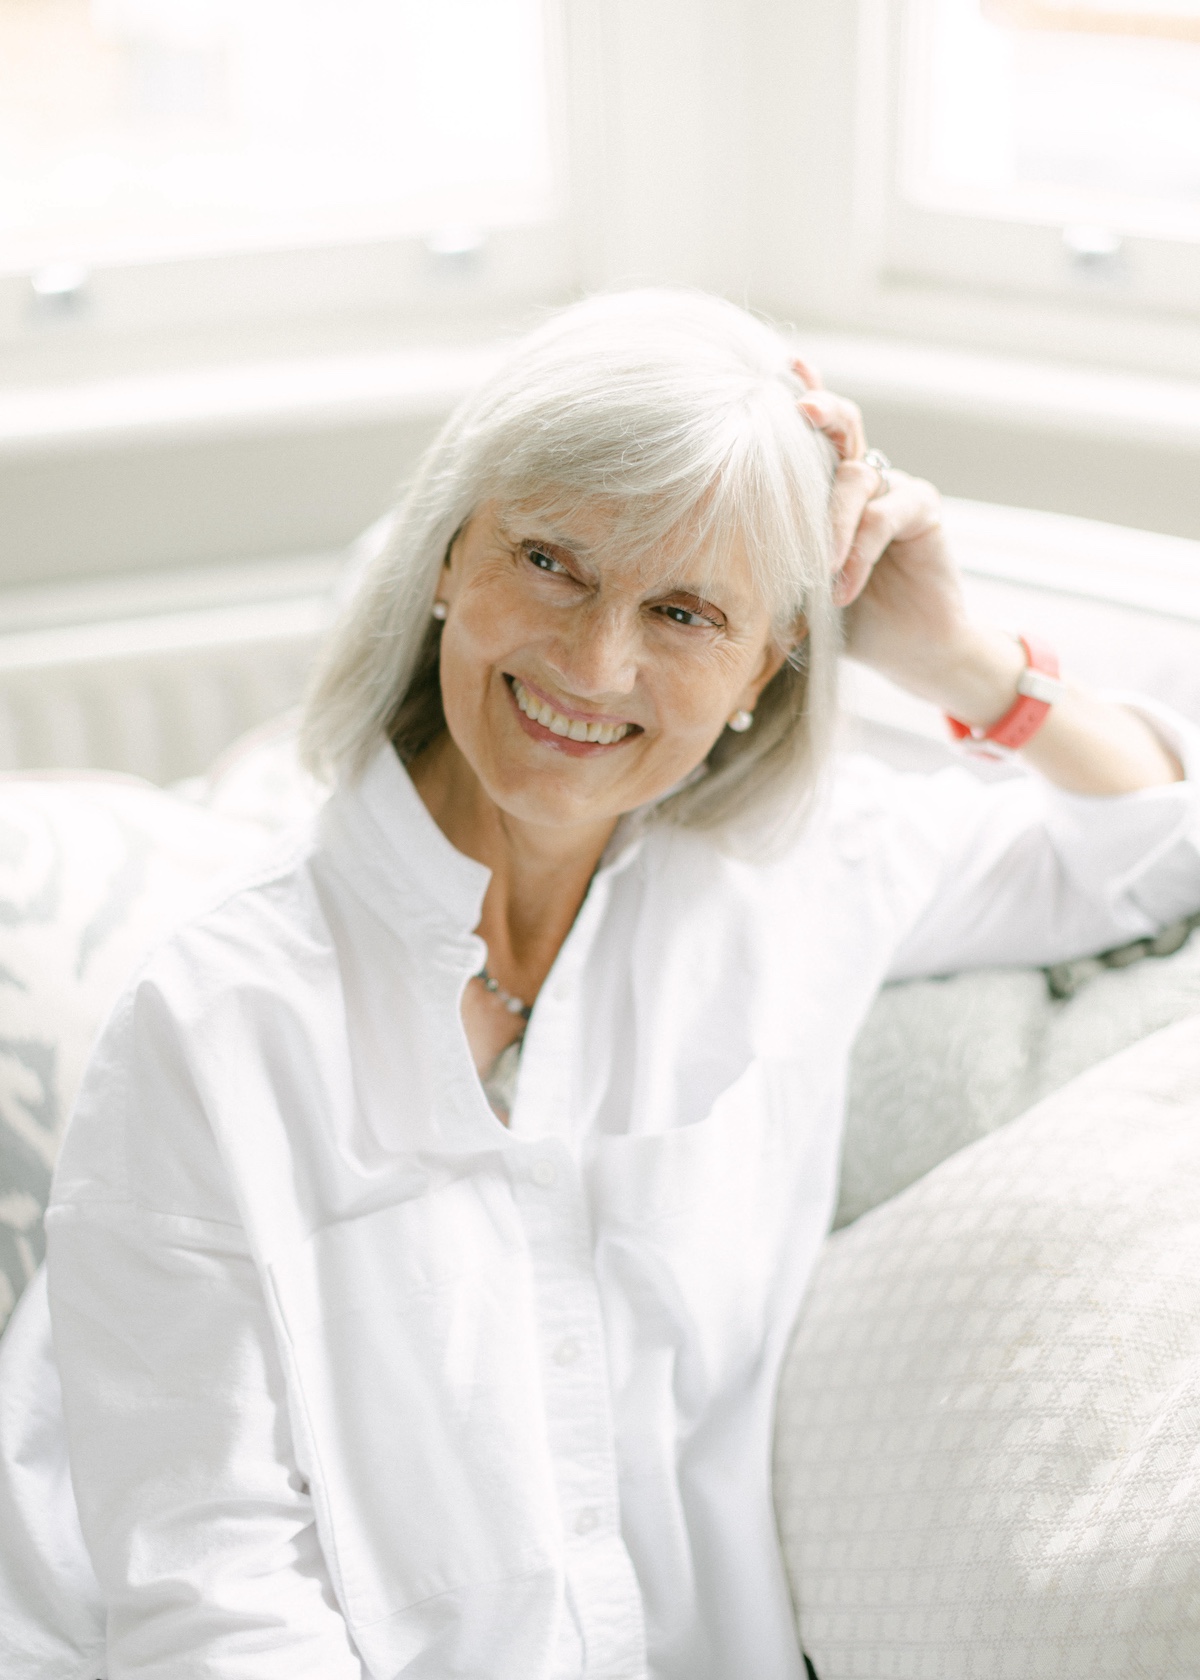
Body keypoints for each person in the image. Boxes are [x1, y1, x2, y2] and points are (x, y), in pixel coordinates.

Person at [1, 289, 1198, 1680]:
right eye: (553, 561)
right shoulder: (216, 1025)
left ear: (771, 663)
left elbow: (1154, 854)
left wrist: (957, 657)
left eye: (687, 611)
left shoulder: (796, 881)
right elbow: (206, 1598)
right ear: (450, 556)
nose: (595, 661)